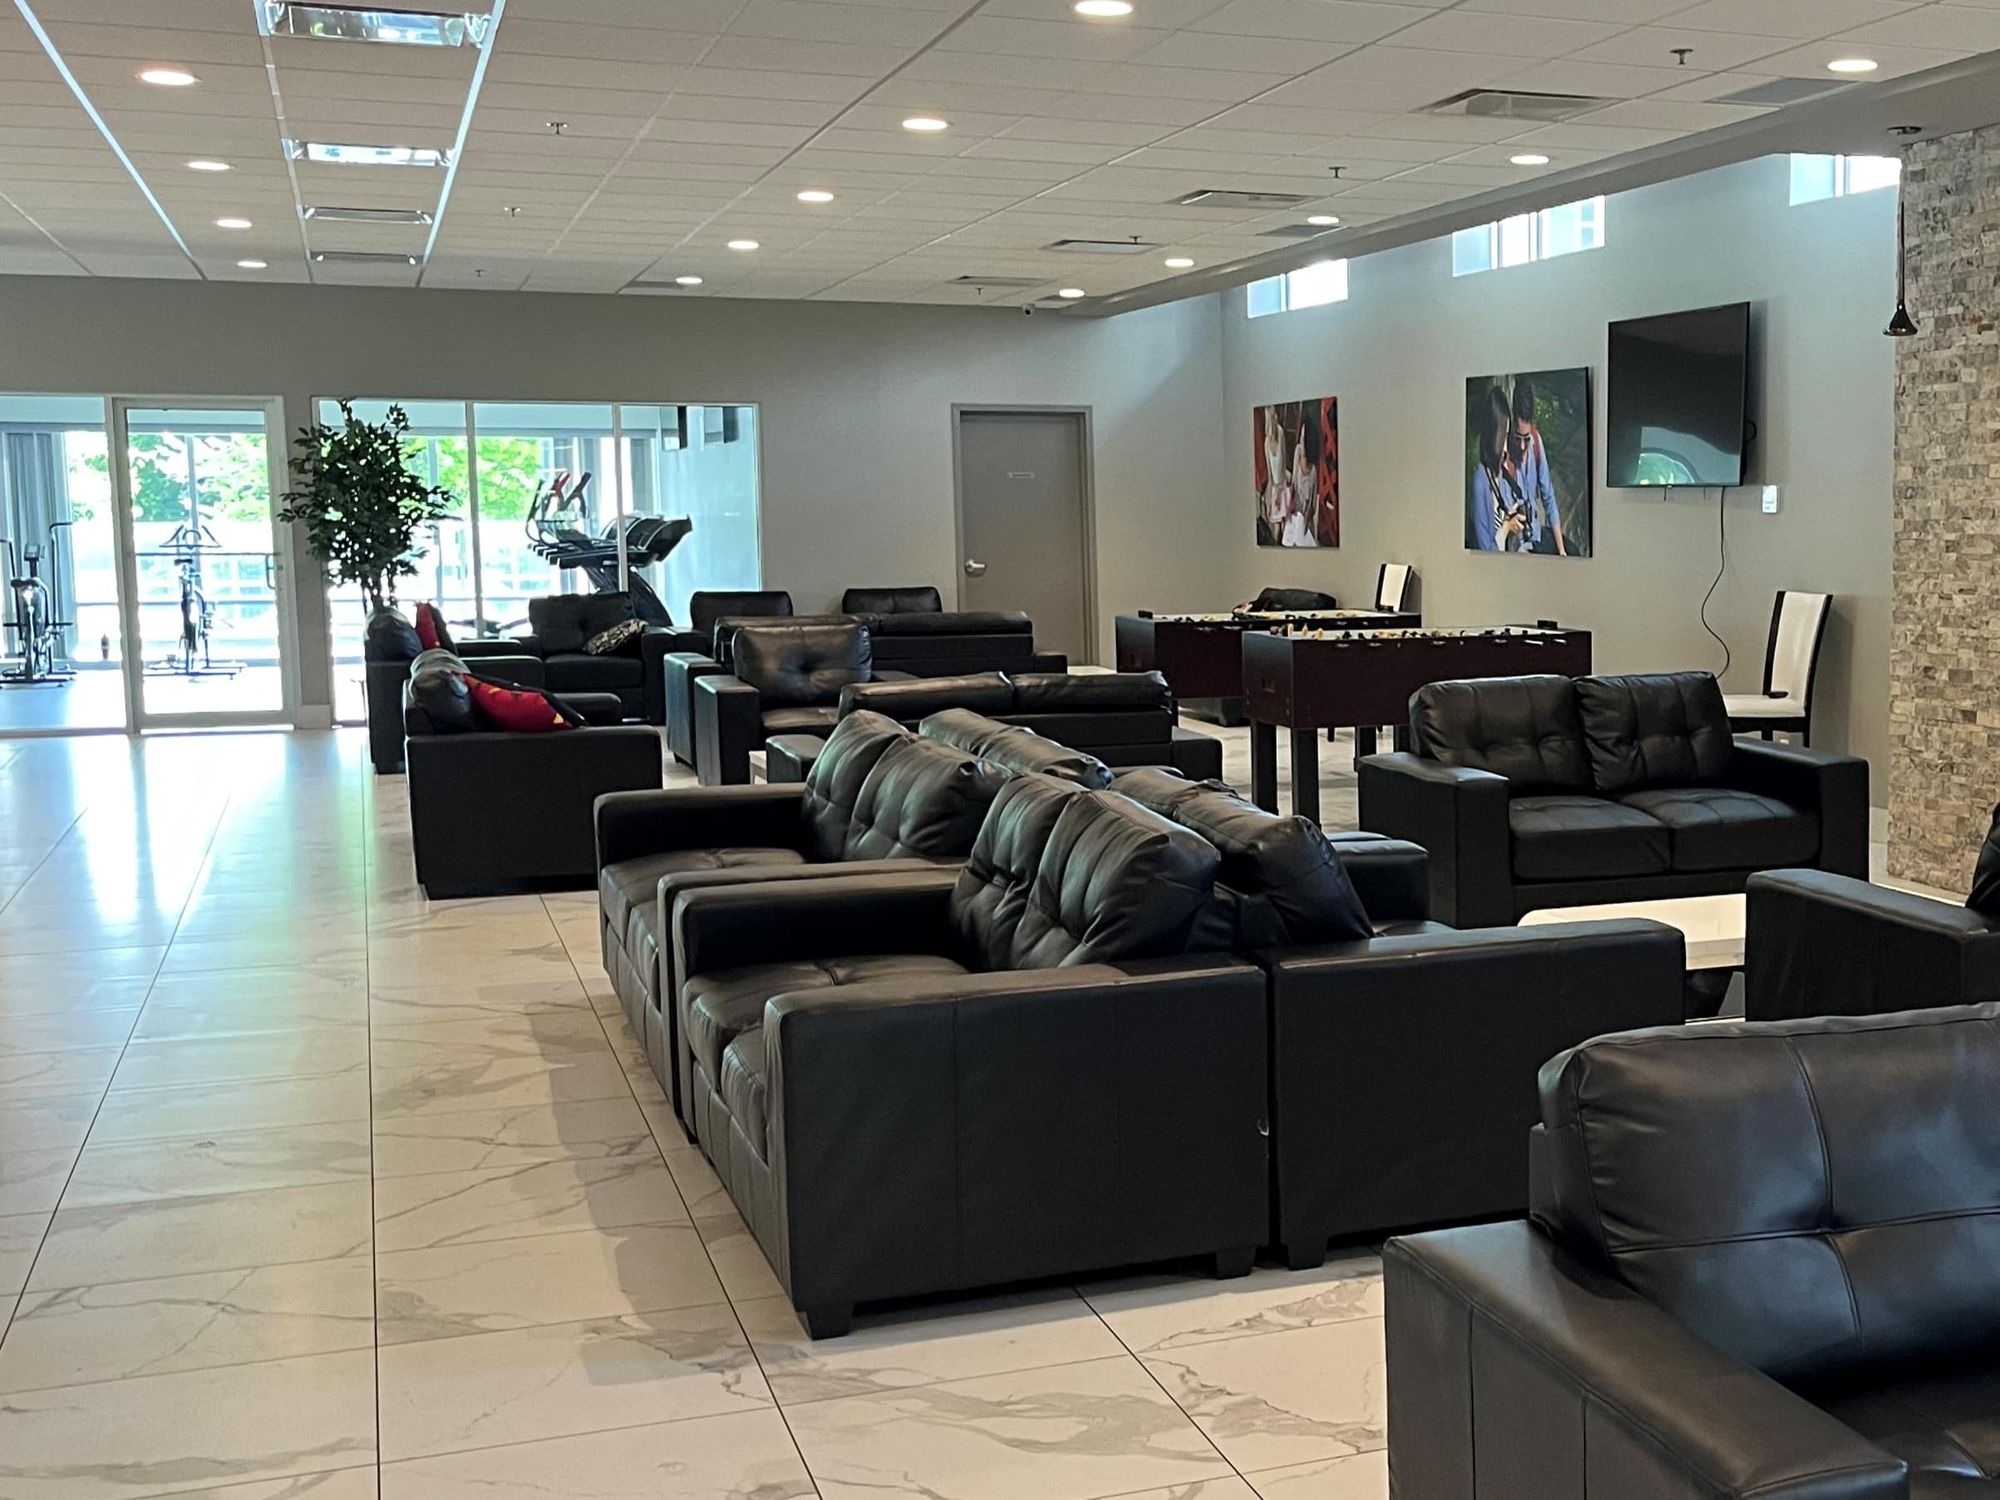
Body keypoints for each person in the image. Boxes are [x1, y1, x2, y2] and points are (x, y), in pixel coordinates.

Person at [1509, 375, 1568, 556]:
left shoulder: (1536, 442)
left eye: (1526, 439)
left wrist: (1561, 550)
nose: (1522, 446)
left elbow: (1548, 497)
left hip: (1536, 537)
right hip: (1517, 547)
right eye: (1517, 438)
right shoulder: (1506, 459)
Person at [1469, 383, 1529, 552]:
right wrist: (1506, 527)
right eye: (1502, 439)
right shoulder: (1480, 481)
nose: (1505, 449)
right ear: (1492, 436)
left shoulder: (1500, 475)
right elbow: (1485, 549)